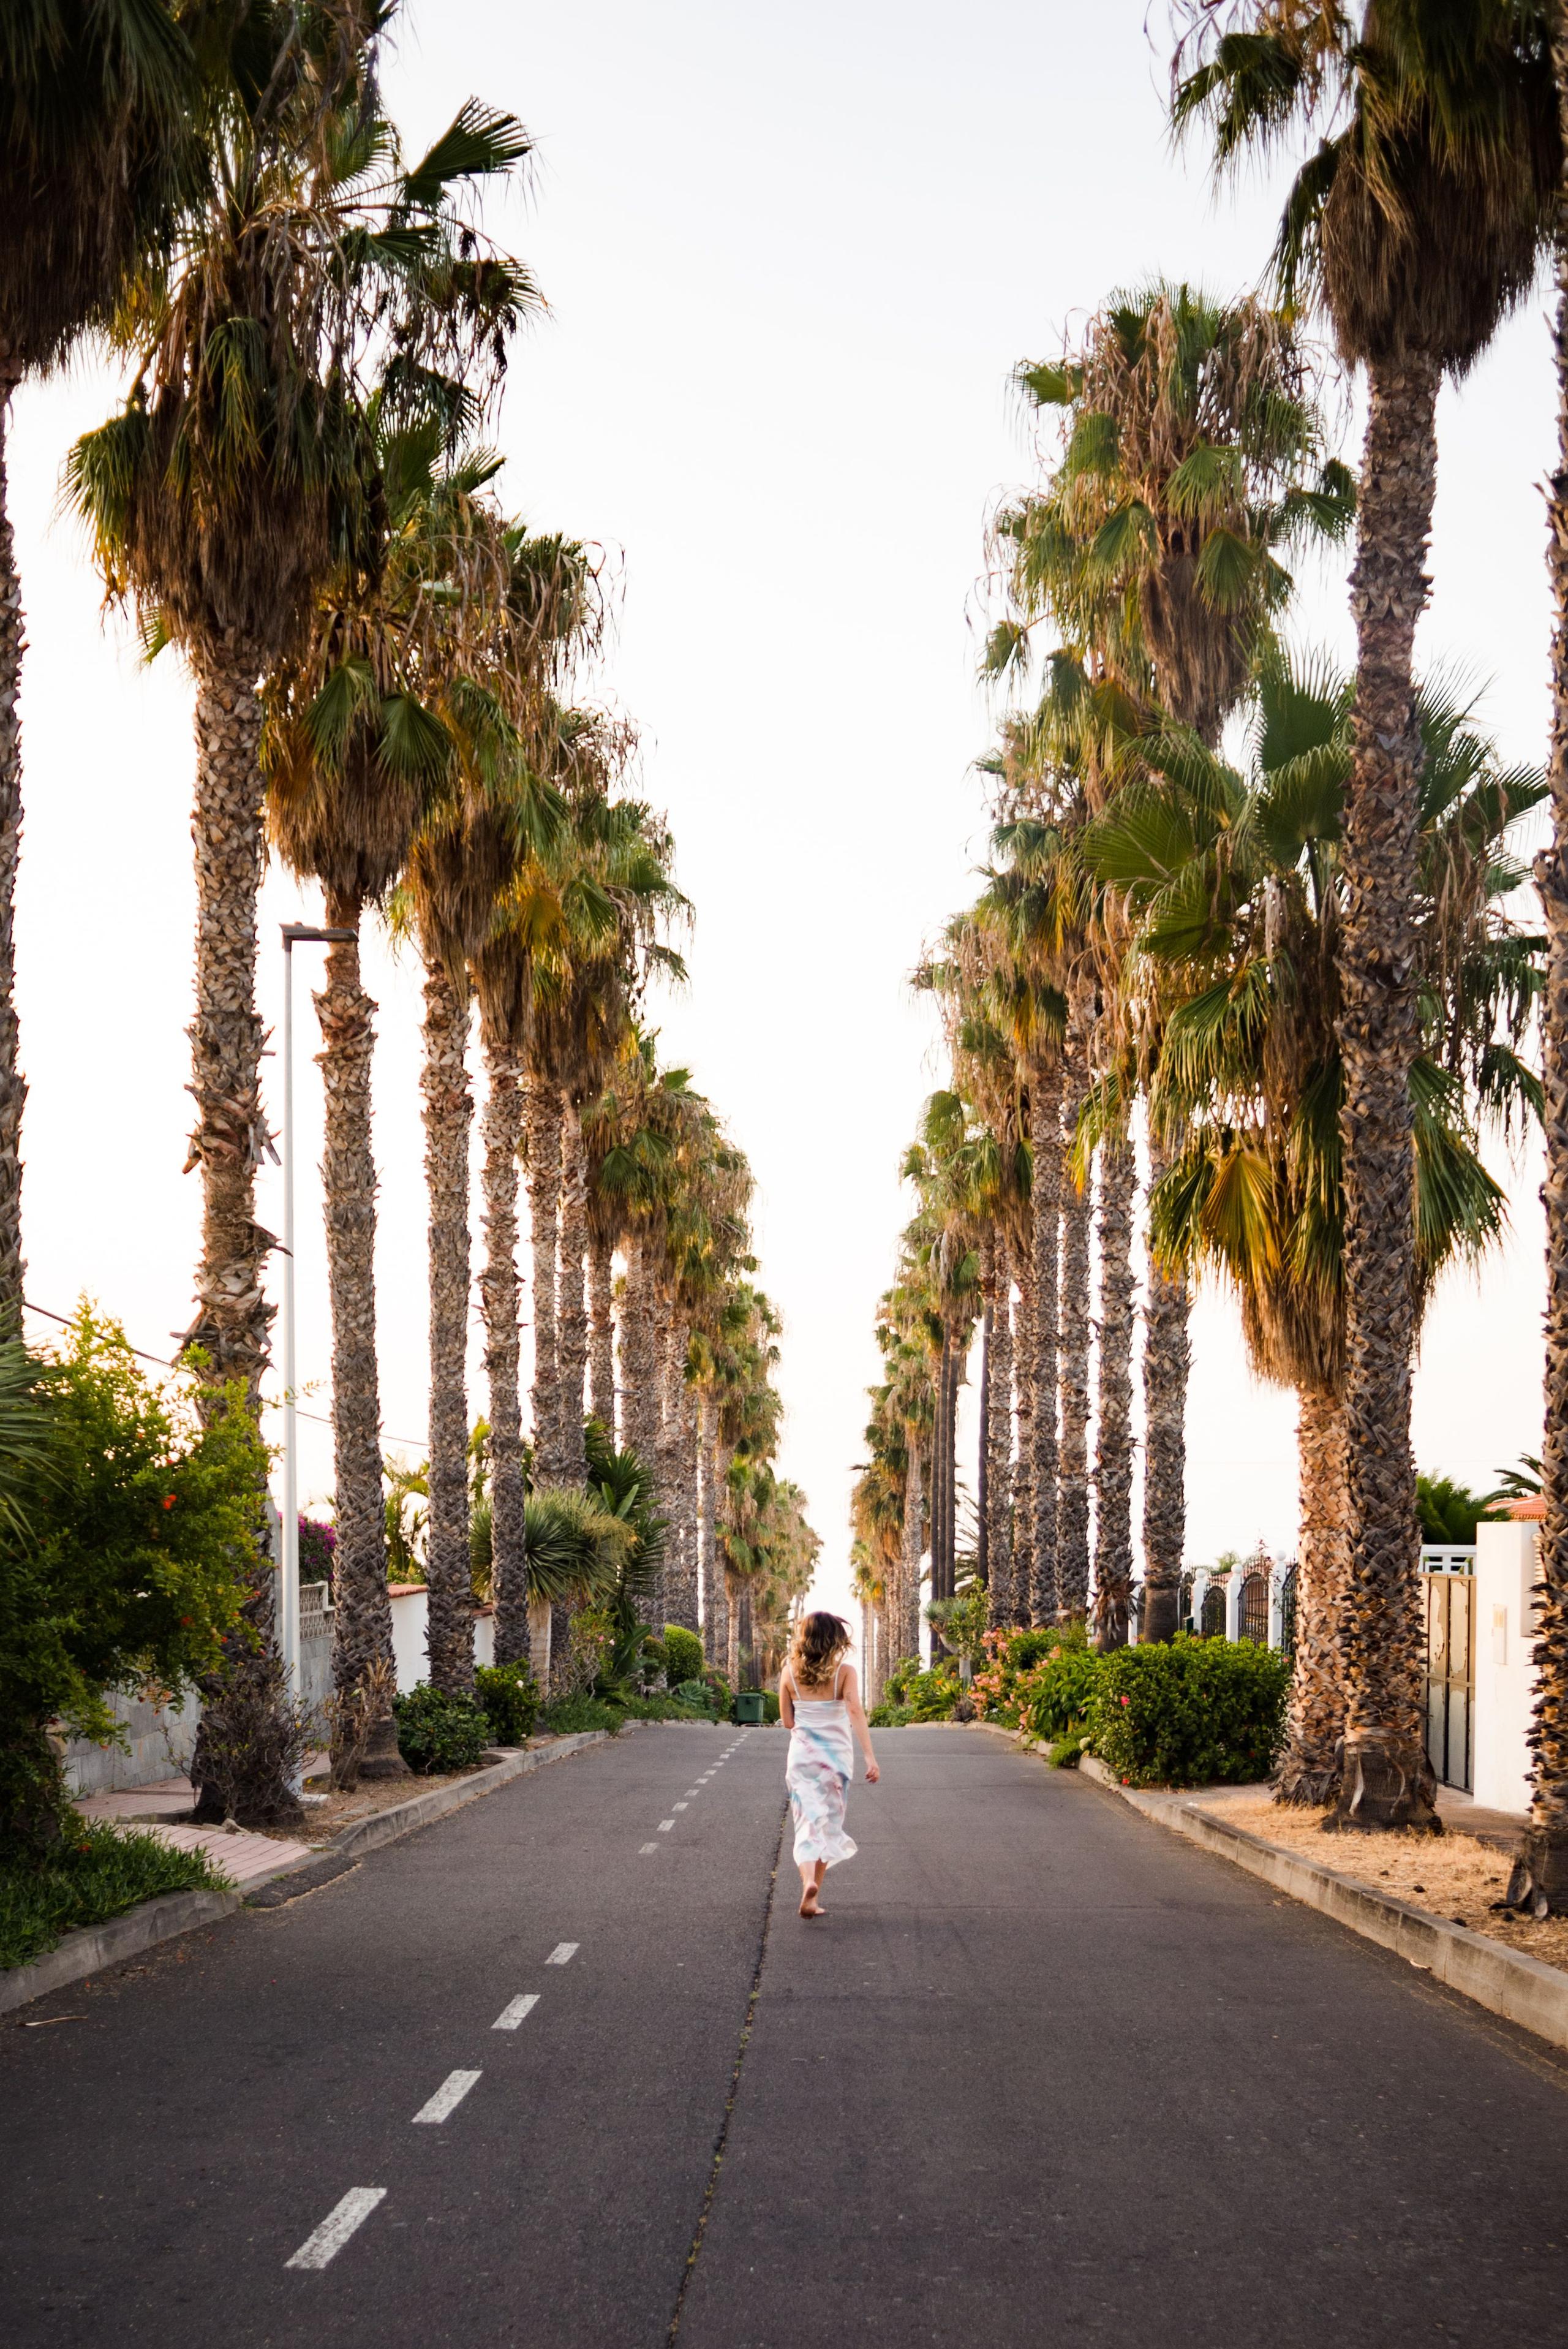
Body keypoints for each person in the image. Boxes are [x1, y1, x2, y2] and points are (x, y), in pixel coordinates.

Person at [778, 1610, 879, 1919]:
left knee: (806, 1824)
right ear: (835, 1639)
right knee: (828, 1825)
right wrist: (870, 1757)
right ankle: (812, 1896)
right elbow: (855, 1712)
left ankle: (808, 1883)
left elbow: (787, 1721)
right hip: (836, 1761)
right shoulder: (845, 1672)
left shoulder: (789, 1672)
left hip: (802, 1759)